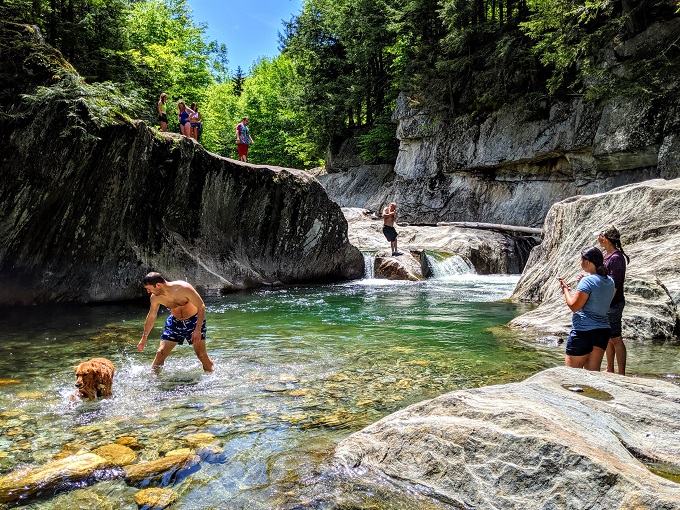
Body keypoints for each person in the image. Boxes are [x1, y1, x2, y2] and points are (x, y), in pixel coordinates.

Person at [137, 272, 214, 372]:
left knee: (201, 355)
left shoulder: (184, 288)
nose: (148, 291)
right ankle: (152, 382)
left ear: (158, 285)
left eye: (149, 288)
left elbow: (201, 306)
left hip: (194, 321)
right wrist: (144, 338)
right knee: (160, 353)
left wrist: (197, 329)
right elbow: (152, 315)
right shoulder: (155, 297)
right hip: (174, 322)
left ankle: (213, 377)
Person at [557, 246, 615, 370]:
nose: (580, 263)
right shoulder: (610, 281)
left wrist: (565, 290)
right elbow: (598, 298)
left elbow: (574, 306)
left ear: (587, 262)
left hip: (584, 331)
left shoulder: (587, 282)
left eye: (581, 260)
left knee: (571, 375)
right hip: (602, 332)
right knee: (592, 376)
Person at [598, 225, 630, 375]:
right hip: (606, 302)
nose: (599, 238)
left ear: (608, 240)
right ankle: (609, 368)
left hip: (613, 303)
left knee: (616, 338)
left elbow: (615, 284)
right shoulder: (606, 255)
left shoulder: (616, 259)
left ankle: (621, 373)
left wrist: (604, 303)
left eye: (601, 236)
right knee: (608, 337)